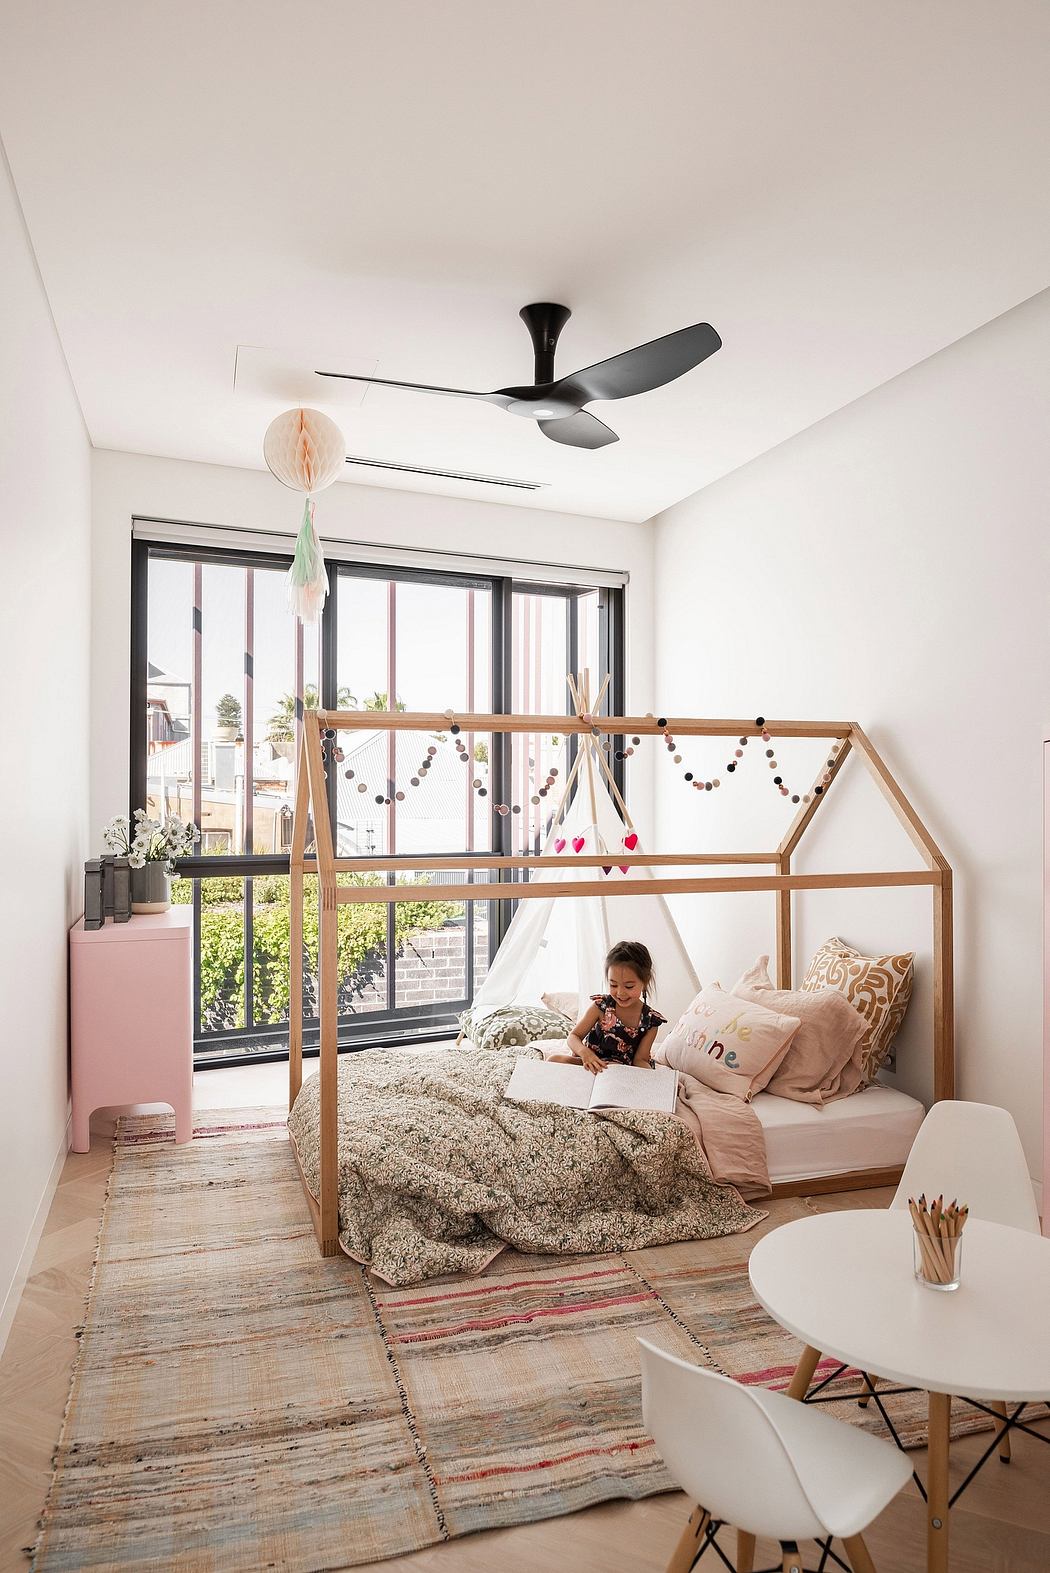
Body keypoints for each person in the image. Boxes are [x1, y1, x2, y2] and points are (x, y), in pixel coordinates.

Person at [563, 940, 666, 1073]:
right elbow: (573, 1037)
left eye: (629, 986)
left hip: (622, 1073)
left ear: (645, 981)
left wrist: (656, 1078)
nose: (620, 993)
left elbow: (640, 1060)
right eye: (613, 985)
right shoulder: (601, 1006)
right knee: (555, 1060)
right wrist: (585, 1053)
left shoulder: (650, 1022)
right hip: (592, 1064)